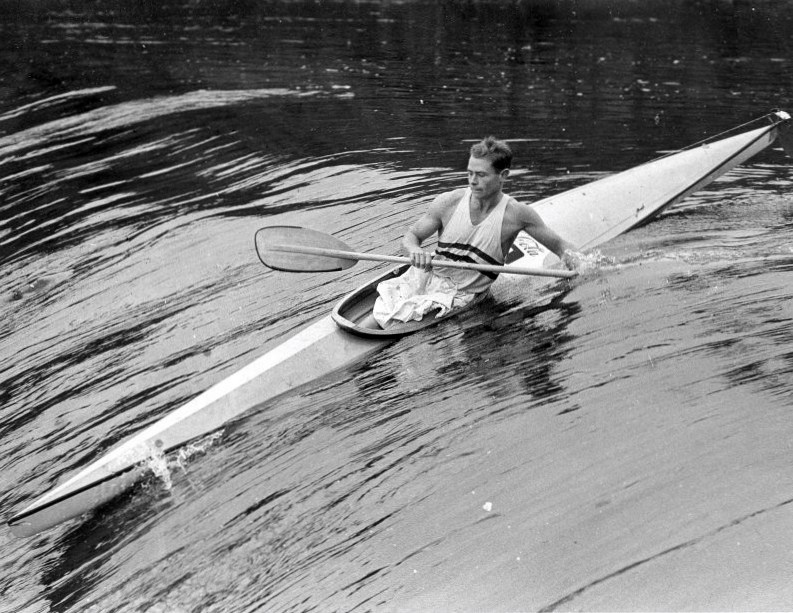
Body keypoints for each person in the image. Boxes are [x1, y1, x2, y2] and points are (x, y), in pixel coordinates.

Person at [372, 136, 584, 328]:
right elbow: (411, 237)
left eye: (481, 175)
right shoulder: (448, 202)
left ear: (503, 176)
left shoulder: (518, 215)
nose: (473, 181)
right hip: (426, 280)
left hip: (465, 297)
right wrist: (414, 251)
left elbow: (561, 247)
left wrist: (582, 268)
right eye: (470, 173)